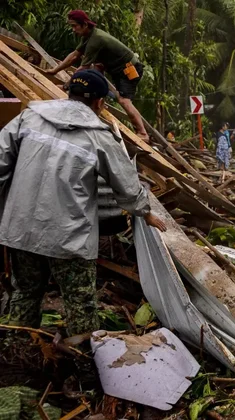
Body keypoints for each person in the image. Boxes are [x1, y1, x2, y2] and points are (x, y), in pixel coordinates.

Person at [0, 69, 167, 336]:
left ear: (69, 92)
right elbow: (124, 182)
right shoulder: (98, 135)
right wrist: (144, 211)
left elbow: (1, 160)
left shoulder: (30, 117)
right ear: (100, 102)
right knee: (81, 305)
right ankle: (86, 368)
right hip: (69, 237)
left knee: (25, 294)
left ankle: (18, 359)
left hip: (21, 229)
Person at [46, 10, 149, 142]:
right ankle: (97, 102)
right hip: (115, 67)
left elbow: (83, 67)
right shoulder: (88, 36)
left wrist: (67, 86)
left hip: (128, 69)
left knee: (123, 100)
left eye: (74, 26)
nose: (73, 30)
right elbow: (74, 55)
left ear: (84, 25)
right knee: (97, 69)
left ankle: (142, 133)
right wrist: (55, 70)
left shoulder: (96, 40)